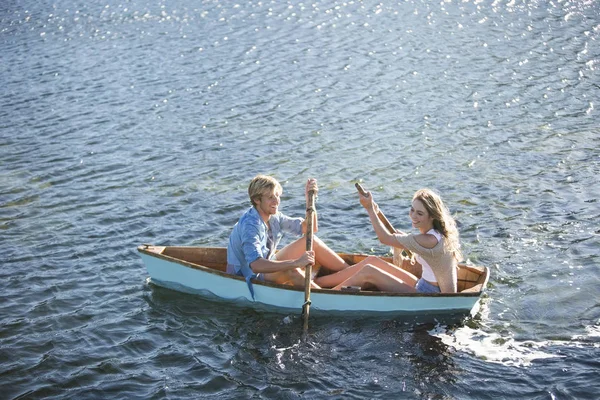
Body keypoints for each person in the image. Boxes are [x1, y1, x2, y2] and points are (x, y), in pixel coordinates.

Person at [314, 188, 462, 293]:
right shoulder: (435, 234)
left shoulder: (428, 240)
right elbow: (404, 255)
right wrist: (377, 214)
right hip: (424, 284)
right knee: (372, 261)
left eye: (420, 213)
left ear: (432, 217)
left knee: (368, 271)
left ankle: (325, 295)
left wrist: (370, 209)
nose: (413, 216)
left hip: (430, 295)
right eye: (412, 210)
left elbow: (384, 238)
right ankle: (318, 283)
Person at [227, 175, 349, 292]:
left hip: (266, 262)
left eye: (277, 196)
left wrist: (309, 200)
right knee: (292, 270)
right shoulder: (250, 225)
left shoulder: (274, 216)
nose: (276, 201)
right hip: (248, 275)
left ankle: (350, 274)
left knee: (312, 240)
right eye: (270, 197)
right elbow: (256, 265)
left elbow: (310, 228)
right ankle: (325, 298)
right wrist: (295, 263)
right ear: (257, 200)